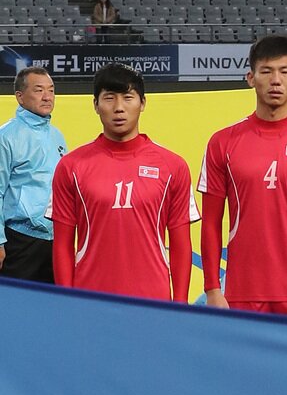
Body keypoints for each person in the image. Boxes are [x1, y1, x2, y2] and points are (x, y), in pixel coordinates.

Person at [197, 35, 287, 319]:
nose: (275, 80)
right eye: (266, 71)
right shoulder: (222, 143)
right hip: (242, 293)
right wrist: (213, 289)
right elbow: (211, 224)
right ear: (251, 78)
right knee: (242, 366)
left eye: (284, 71)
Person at [50, 64, 196, 302]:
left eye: (128, 98)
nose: (119, 108)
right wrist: (67, 303)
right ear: (96, 105)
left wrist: (179, 306)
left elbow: (181, 246)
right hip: (90, 301)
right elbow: (62, 246)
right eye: (109, 98)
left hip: (154, 302)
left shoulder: (173, 167)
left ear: (143, 103)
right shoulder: (71, 167)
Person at [0, 67, 65, 283]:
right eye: (38, 90)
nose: (47, 97)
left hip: (55, 241)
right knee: (15, 309)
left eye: (51, 90)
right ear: (20, 97)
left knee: (52, 309)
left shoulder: (57, 136)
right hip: (19, 241)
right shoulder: (6, 137)